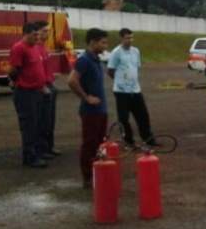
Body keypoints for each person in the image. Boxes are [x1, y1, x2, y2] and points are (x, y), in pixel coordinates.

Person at [68, 28, 109, 189]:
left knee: (99, 144)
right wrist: (86, 98)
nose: (106, 46)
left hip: (101, 110)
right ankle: (87, 177)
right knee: (89, 144)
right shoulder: (84, 59)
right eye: (103, 42)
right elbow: (72, 81)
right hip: (91, 112)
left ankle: (97, 173)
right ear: (92, 42)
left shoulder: (96, 59)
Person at [9, 22, 50, 168]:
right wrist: (20, 83)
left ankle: (36, 153)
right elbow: (14, 71)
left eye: (38, 35)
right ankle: (29, 157)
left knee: (37, 124)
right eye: (34, 35)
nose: (37, 37)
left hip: (36, 92)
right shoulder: (19, 48)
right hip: (25, 93)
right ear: (26, 34)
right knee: (28, 126)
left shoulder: (34, 48)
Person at [107, 28, 156, 147]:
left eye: (131, 38)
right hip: (121, 92)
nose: (130, 40)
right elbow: (110, 70)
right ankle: (129, 141)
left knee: (143, 116)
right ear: (121, 38)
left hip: (135, 89)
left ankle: (148, 139)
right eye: (127, 38)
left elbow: (136, 67)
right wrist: (120, 81)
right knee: (124, 119)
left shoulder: (136, 51)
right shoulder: (116, 52)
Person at [34, 21, 61, 158]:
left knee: (50, 120)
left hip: (50, 86)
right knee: (43, 120)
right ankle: (42, 149)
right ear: (37, 32)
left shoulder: (44, 48)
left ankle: (49, 146)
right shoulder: (35, 48)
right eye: (44, 31)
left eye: (48, 31)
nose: (47, 33)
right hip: (42, 88)